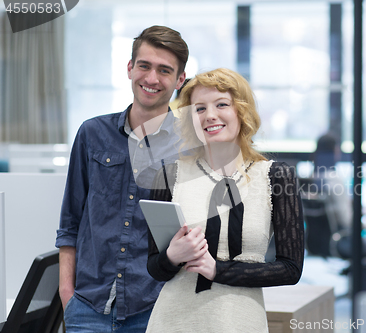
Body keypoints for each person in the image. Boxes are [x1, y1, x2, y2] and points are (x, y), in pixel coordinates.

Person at [145, 68, 304, 332]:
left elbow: (290, 269)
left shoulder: (276, 176)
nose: (210, 115)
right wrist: (172, 256)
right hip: (173, 322)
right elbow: (154, 267)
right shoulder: (169, 175)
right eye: (199, 109)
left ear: (241, 111)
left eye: (222, 104)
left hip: (241, 322)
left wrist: (217, 269)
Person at [55, 26, 188, 332]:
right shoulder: (92, 134)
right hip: (88, 307)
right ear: (130, 68)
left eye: (164, 70)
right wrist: (66, 294)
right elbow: (70, 222)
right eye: (144, 66)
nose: (152, 78)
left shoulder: (190, 147)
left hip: (155, 309)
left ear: (180, 79)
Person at [313, 133, 366, 291]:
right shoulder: (334, 178)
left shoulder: (316, 176)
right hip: (342, 240)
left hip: (324, 240)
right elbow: (348, 219)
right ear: (335, 151)